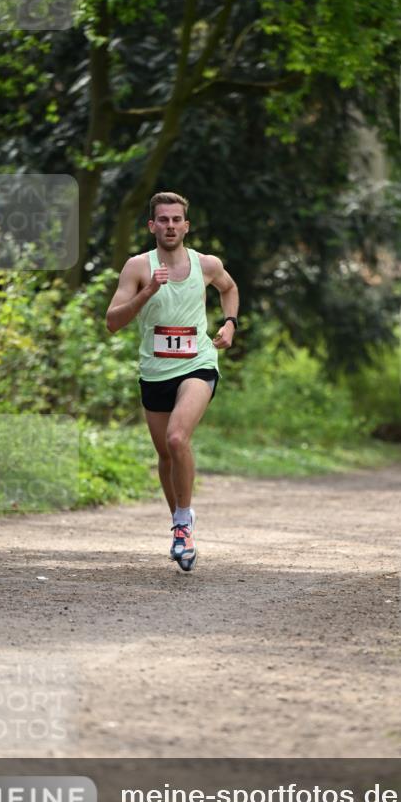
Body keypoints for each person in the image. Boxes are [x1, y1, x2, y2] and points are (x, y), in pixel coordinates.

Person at [105, 191, 239, 571]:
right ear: (152, 226)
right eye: (163, 220)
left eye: (176, 220)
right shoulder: (137, 267)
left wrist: (230, 324)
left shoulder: (206, 264)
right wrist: (148, 291)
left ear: (186, 226)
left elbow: (229, 288)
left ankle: (183, 525)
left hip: (198, 363)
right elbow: (112, 322)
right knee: (165, 454)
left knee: (177, 438)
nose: (170, 226)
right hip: (155, 371)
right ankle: (181, 521)